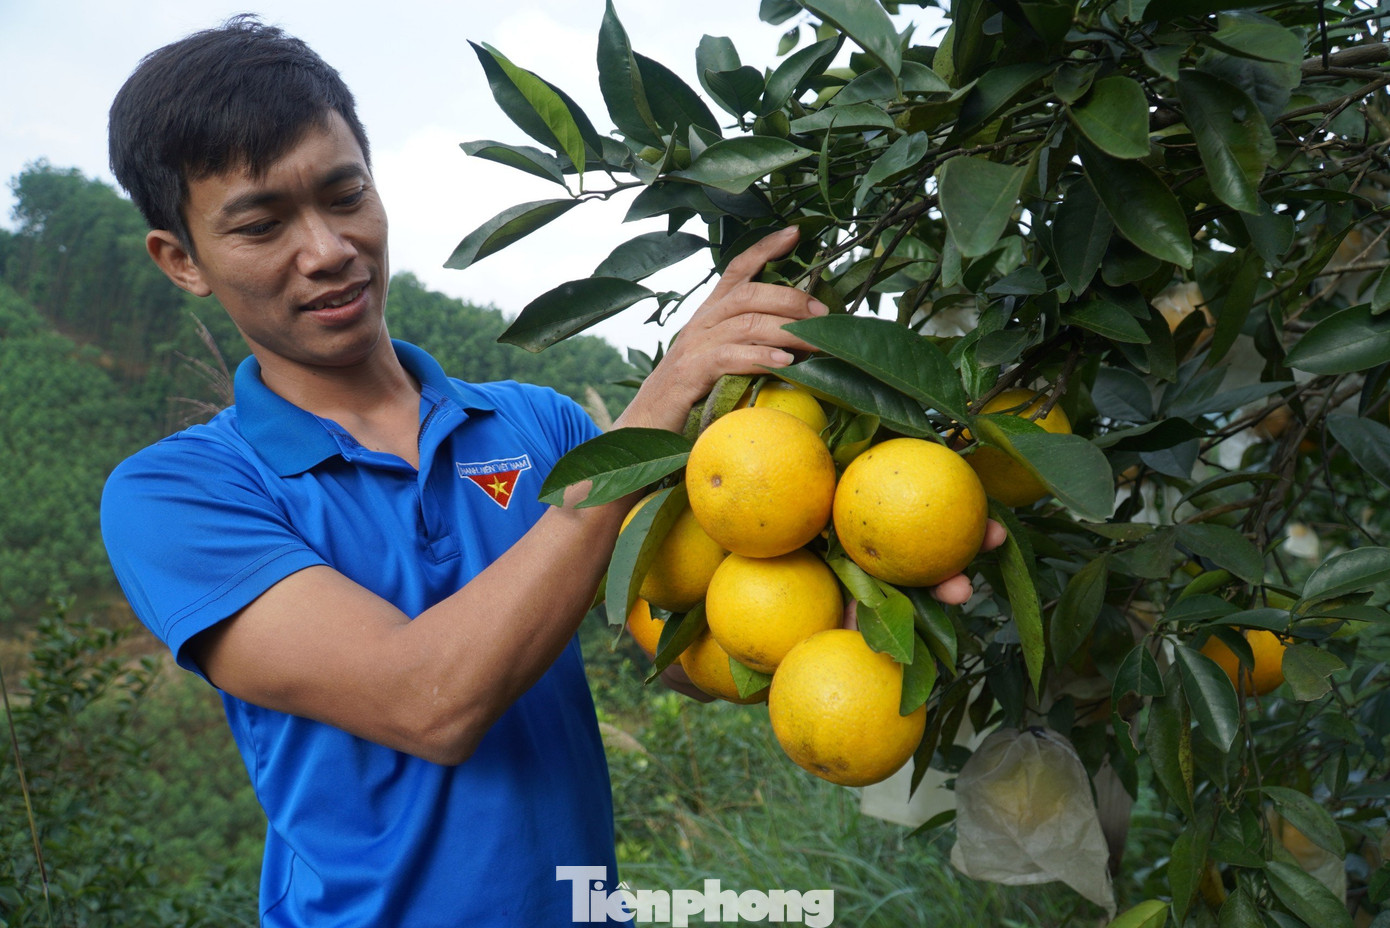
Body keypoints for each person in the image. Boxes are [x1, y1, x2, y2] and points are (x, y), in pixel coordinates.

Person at [100, 15, 1000, 926]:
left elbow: (679, 642)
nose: (329, 249)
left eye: (345, 196)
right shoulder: (180, 495)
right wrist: (653, 411)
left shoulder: (538, 424)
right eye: (262, 224)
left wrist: (852, 600)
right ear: (182, 260)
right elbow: (431, 702)